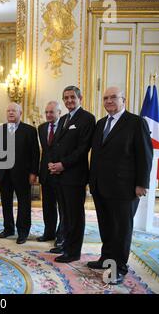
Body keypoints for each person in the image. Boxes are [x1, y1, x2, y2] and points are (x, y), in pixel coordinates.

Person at [88, 86, 153, 285]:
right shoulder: (100, 124)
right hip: (100, 186)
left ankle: (118, 268)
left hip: (124, 188)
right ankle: (106, 259)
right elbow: (97, 155)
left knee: (121, 229)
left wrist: (142, 184)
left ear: (123, 99)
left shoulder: (135, 122)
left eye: (113, 97)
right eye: (106, 98)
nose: (108, 101)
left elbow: (145, 155)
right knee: (106, 226)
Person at [48, 86, 95, 263]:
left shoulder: (87, 118)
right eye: (66, 98)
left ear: (80, 98)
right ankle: (65, 245)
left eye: (72, 97)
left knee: (75, 215)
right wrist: (52, 164)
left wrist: (63, 164)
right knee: (65, 213)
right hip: (59, 175)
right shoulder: (65, 118)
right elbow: (56, 144)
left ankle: (73, 252)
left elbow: (83, 148)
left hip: (74, 176)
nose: (69, 100)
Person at [0, 102, 39, 244]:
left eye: (14, 111)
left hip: (23, 174)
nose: (11, 113)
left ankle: (23, 231)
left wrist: (33, 172)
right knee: (5, 203)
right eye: (8, 111)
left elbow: (35, 153)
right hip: (4, 174)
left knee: (24, 204)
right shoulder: (0, 130)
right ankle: (8, 228)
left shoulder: (30, 130)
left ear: (20, 113)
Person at [37, 101, 64, 247]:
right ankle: (49, 232)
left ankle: (61, 235)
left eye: (51, 112)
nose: (48, 115)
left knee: (62, 207)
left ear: (59, 112)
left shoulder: (65, 127)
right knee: (47, 205)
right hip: (46, 174)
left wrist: (59, 165)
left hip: (61, 172)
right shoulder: (41, 128)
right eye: (46, 112)